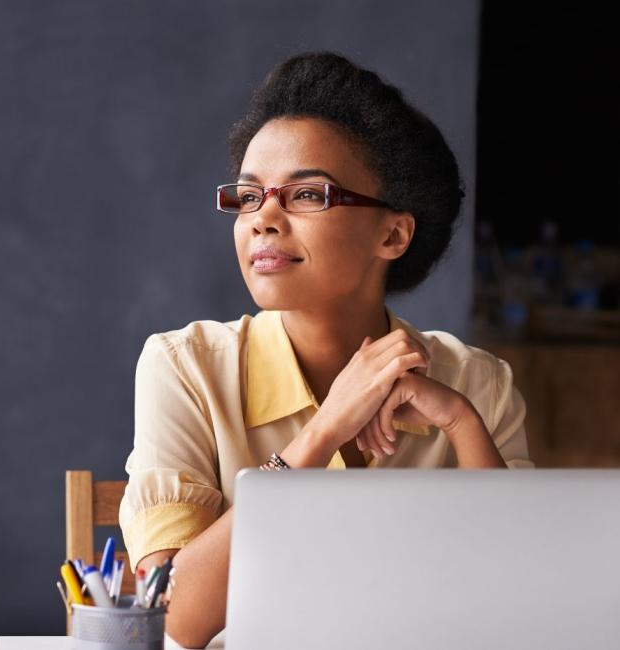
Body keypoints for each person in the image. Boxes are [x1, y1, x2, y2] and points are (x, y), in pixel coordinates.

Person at [118, 51, 534, 648]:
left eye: (308, 195)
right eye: (249, 195)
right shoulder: (185, 366)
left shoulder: (476, 382)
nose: (263, 218)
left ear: (392, 233)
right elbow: (173, 621)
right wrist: (322, 433)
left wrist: (463, 423)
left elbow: (523, 602)